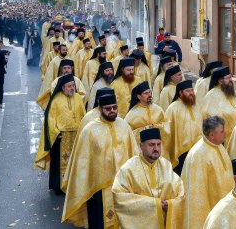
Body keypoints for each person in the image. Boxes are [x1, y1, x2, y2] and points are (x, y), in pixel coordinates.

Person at [61, 94, 139, 228]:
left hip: (123, 184)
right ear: (100, 109)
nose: (112, 111)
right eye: (108, 108)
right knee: (99, 221)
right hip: (98, 187)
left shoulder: (124, 125)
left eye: (114, 107)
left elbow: (134, 153)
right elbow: (81, 162)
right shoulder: (89, 130)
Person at [112, 127, 185, 228]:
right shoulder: (128, 169)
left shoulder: (166, 165)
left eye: (158, 144)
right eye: (151, 145)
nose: (156, 148)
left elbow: (181, 192)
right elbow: (119, 197)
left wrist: (171, 204)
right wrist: (155, 205)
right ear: (141, 146)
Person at [34, 74, 86, 195]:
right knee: (59, 163)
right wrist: (56, 134)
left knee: (76, 162)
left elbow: (83, 115)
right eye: (69, 86)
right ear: (62, 87)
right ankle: (58, 187)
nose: (72, 88)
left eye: (73, 86)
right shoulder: (56, 100)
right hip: (61, 138)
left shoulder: (78, 98)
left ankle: (74, 186)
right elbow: (50, 120)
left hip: (76, 137)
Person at [181, 116, 234, 229]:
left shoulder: (218, 146)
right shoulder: (198, 155)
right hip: (209, 210)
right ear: (211, 135)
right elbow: (197, 195)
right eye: (222, 131)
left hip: (223, 204)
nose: (226, 133)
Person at [165, 80, 204, 175]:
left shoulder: (196, 105)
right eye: (187, 91)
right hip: (181, 151)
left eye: (192, 90)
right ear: (180, 93)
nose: (191, 93)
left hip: (198, 148)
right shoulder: (173, 108)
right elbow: (167, 131)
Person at [202, 66, 236, 144]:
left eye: (231, 77)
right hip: (222, 138)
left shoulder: (233, 91)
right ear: (220, 81)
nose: (231, 80)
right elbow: (210, 117)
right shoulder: (211, 95)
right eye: (228, 78)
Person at [125, 81, 166, 148]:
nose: (149, 95)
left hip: (159, 147)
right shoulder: (132, 114)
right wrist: (145, 129)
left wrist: (157, 127)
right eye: (146, 93)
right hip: (141, 149)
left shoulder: (158, 109)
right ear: (139, 96)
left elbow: (166, 125)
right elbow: (128, 135)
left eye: (150, 92)